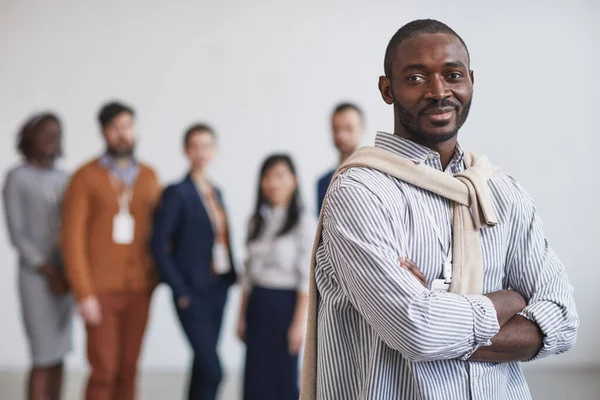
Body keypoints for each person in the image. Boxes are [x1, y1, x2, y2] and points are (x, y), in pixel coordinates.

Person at [300, 19, 579, 400]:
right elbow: (417, 330)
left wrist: (441, 310)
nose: (438, 91)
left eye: (452, 75)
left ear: (471, 81)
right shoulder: (360, 192)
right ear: (387, 89)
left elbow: (562, 321)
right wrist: (510, 300)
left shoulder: (501, 191)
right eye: (415, 78)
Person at [61, 101, 161, 400]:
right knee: (104, 369)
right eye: (115, 128)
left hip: (140, 288)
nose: (123, 134)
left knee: (129, 369)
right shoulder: (84, 177)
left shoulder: (149, 177)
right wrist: (84, 292)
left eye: (127, 126)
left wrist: (156, 278)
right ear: (104, 132)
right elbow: (72, 240)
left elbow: (160, 232)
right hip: (100, 290)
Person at [151, 123, 237, 400]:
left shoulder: (216, 192)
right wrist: (180, 290)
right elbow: (158, 246)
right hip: (192, 291)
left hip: (217, 288)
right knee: (214, 369)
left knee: (203, 365)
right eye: (195, 146)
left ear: (215, 150)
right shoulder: (177, 192)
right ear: (186, 151)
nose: (201, 152)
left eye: (206, 146)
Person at [2, 113, 74, 400]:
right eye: (44, 134)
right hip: (37, 277)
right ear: (30, 137)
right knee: (42, 355)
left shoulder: (64, 178)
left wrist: (68, 270)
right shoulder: (17, 178)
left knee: (60, 353)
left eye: (55, 134)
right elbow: (18, 234)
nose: (50, 140)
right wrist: (48, 270)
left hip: (64, 275)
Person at [238, 154, 316, 400]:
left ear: (293, 181)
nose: (274, 182)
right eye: (268, 176)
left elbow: (305, 278)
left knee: (282, 379)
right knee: (254, 378)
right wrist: (240, 316)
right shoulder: (254, 222)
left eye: (280, 176)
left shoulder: (304, 223)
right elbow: (248, 276)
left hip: (285, 305)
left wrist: (298, 324)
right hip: (258, 303)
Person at [316, 102, 365, 213]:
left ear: (362, 129)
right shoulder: (322, 183)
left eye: (348, 128)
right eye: (336, 129)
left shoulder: (376, 176)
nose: (341, 135)